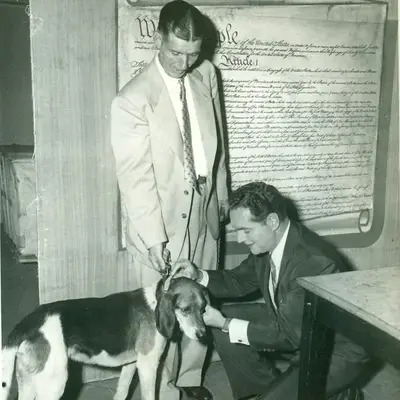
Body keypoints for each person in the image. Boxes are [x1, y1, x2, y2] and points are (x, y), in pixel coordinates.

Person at [111, 1, 228, 399]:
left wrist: (221, 198)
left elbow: (219, 148)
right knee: (163, 322)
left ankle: (191, 383)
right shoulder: (132, 99)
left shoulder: (206, 74)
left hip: (204, 212)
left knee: (199, 303)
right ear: (158, 38)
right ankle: (164, 390)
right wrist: (155, 237)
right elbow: (134, 176)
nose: (184, 62)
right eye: (176, 51)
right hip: (160, 220)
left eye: (193, 53)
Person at [172, 182, 369, 400]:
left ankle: (342, 395)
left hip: (332, 350)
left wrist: (226, 324)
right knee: (222, 323)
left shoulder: (312, 262)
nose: (240, 239)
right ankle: (260, 392)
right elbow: (238, 280)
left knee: (225, 324)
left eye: (246, 230)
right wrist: (198, 275)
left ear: (272, 221)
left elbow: (290, 337)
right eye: (237, 231)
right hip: (295, 326)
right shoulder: (270, 243)